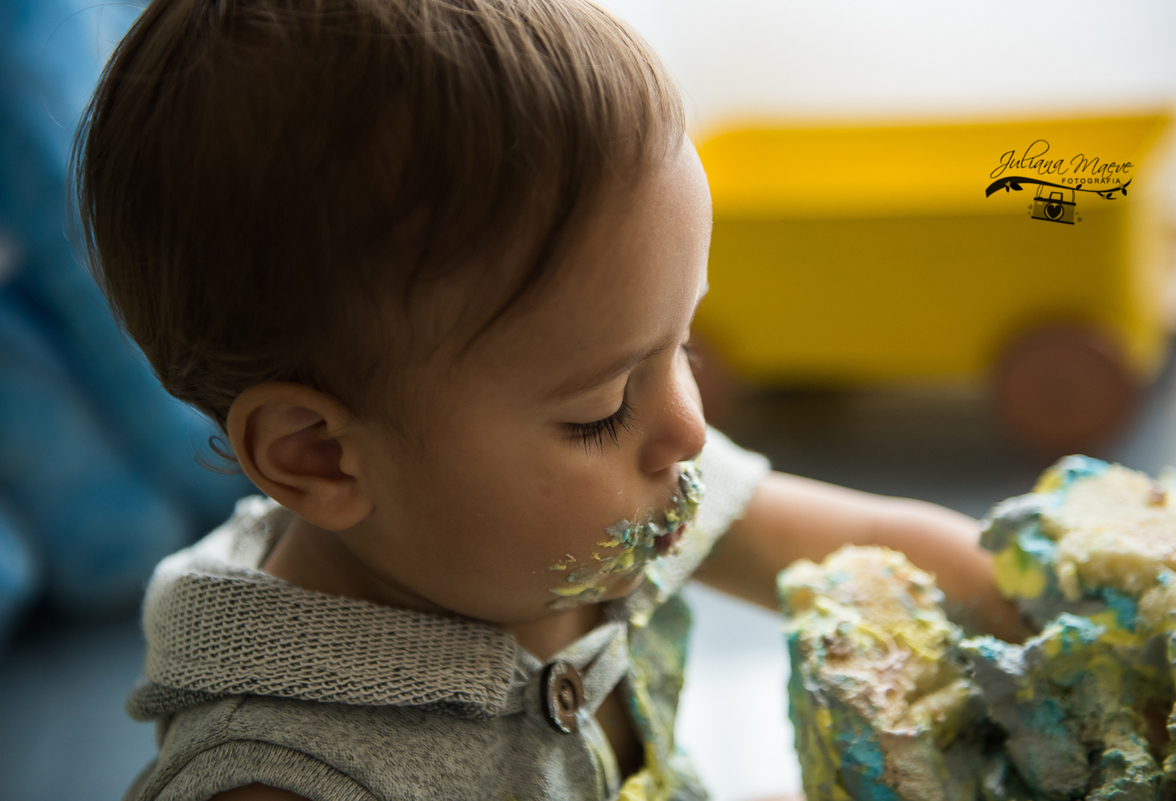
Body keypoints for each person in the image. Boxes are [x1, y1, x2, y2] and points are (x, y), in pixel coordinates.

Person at [73, 1, 1025, 799]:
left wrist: (1061, 595)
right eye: (602, 403)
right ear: (318, 453)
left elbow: (888, 556)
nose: (688, 429)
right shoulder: (285, 776)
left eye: (681, 345)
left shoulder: (608, 503)